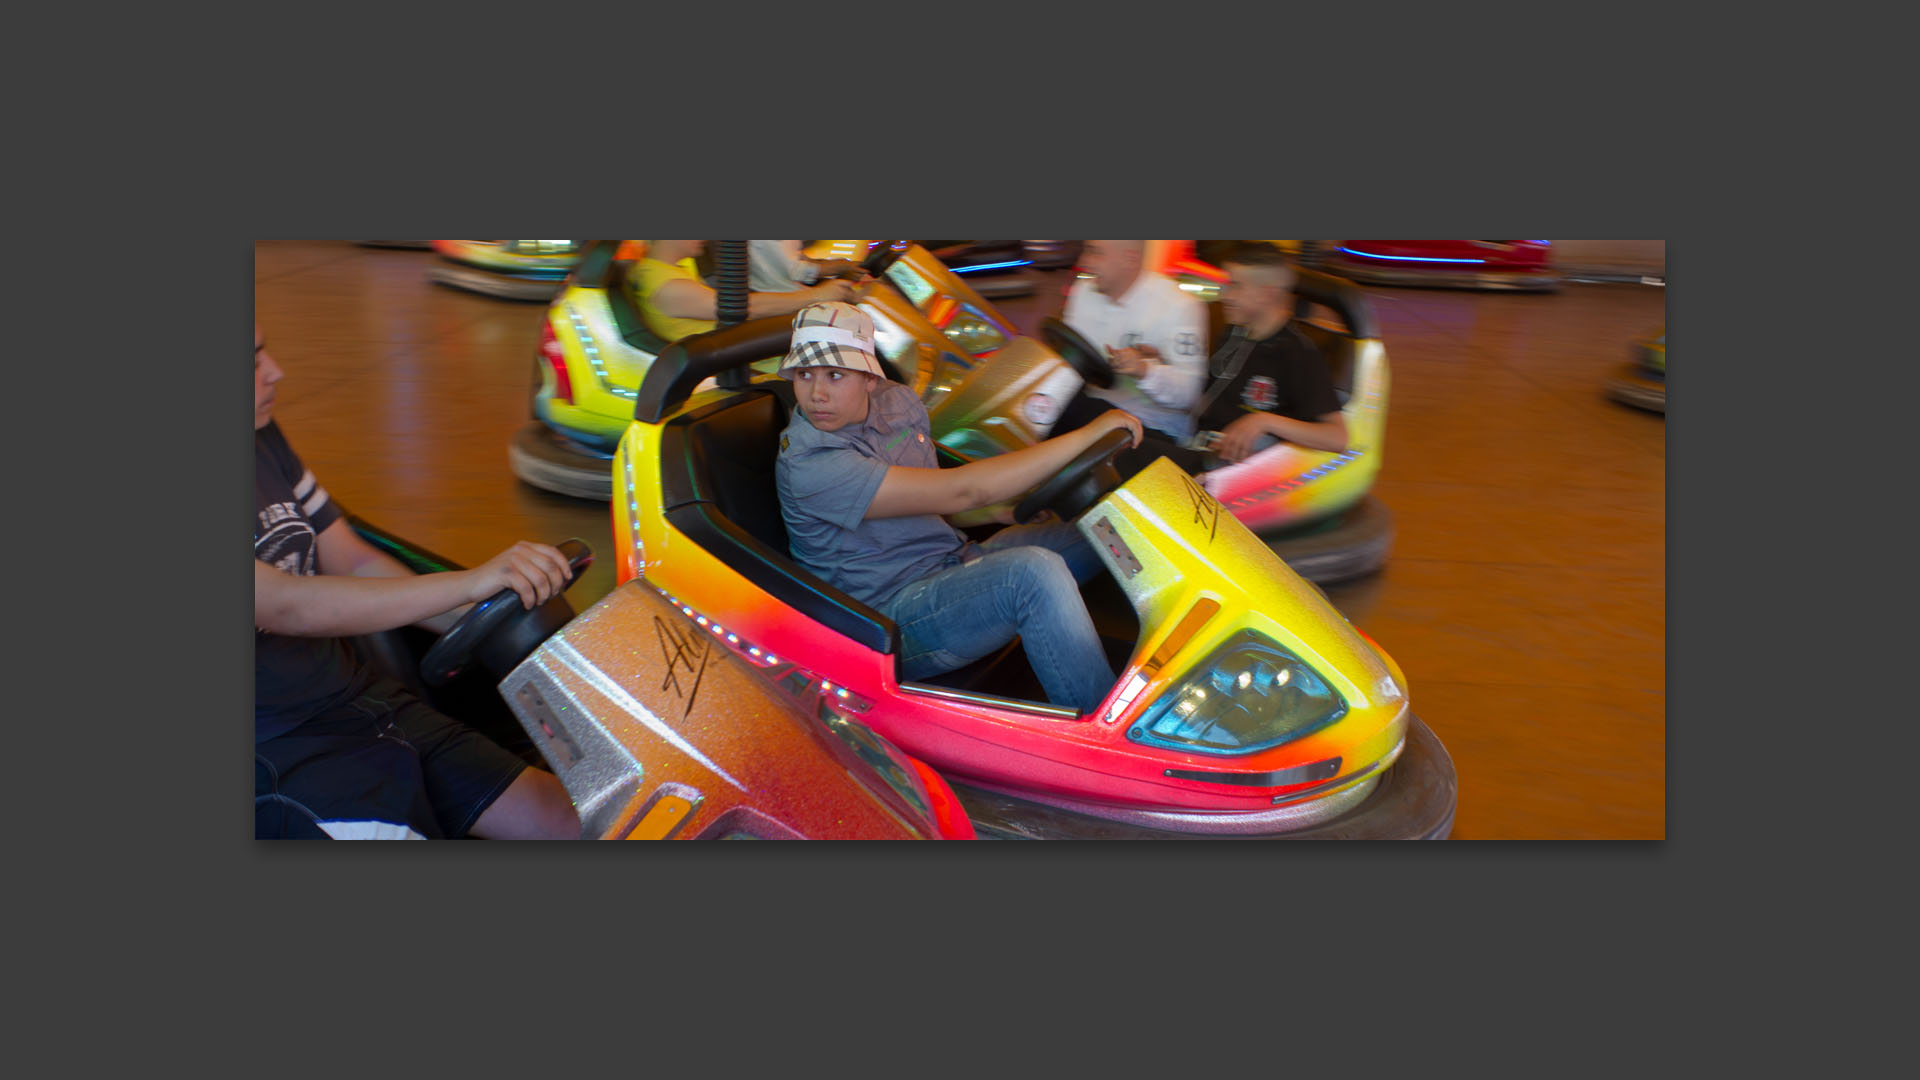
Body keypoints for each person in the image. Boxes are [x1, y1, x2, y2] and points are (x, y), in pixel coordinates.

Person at [252, 325, 583, 840]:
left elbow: (355, 562)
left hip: (356, 702)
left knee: (576, 822)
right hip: (276, 748)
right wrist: (470, 584)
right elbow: (284, 605)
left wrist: (482, 616)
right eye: (251, 362)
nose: (276, 371)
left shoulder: (261, 437)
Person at [774, 303, 1143, 715]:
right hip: (888, 622)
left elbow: (931, 502)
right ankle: (1105, 731)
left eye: (835, 375)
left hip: (952, 561)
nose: (816, 394)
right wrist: (1088, 434)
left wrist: (996, 514)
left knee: (1107, 528)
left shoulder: (897, 404)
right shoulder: (811, 463)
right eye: (804, 375)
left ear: (869, 378)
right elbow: (962, 491)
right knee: (1032, 574)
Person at [1095, 243, 1349, 478]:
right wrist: (1156, 361)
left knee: (1114, 452)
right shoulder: (1234, 333)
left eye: (1235, 286)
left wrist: (1264, 420)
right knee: (1103, 426)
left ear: (1267, 294)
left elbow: (1337, 437)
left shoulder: (1298, 353)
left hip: (1229, 468)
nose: (1225, 295)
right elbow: (1208, 392)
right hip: (1196, 445)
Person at [1048, 239, 1210, 443]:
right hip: (1095, 410)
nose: (1084, 261)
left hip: (1152, 428)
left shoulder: (1179, 306)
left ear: (1129, 259)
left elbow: (1188, 396)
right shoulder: (1083, 291)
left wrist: (1144, 370)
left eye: (1095, 252)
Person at [630, 240, 865, 344]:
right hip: (742, 360)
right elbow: (742, 307)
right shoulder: (665, 286)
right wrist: (817, 296)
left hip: (744, 341)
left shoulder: (668, 267)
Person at [747, 240, 867, 293]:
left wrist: (843, 266)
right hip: (777, 292)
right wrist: (839, 267)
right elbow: (796, 271)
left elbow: (799, 259)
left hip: (786, 288)